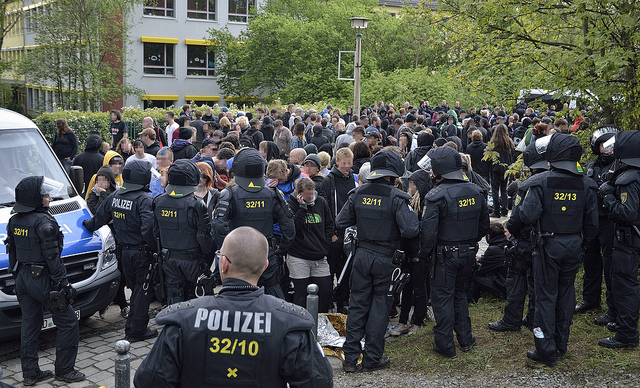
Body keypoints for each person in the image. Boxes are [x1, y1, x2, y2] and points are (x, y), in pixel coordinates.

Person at [133, 226, 333, 387]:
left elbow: (148, 381)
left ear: (223, 265)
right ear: (264, 267)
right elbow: (319, 382)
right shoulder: (289, 323)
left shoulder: (182, 320)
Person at [518, 133, 598, 365]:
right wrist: (580, 242)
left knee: (545, 296)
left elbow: (527, 214)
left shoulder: (541, 182)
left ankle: (546, 350)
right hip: (574, 244)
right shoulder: (587, 184)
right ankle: (561, 345)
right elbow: (592, 225)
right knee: (566, 293)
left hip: (547, 245)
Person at [336, 149, 419, 372]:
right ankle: (372, 359)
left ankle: (350, 358)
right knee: (380, 307)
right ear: (393, 174)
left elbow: (341, 220)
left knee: (357, 306)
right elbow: (411, 230)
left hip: (361, 256)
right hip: (386, 259)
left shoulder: (358, 192)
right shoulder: (397, 197)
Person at [5, 176, 86, 386]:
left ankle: (30, 373)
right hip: (43, 280)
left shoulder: (14, 220)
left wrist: (18, 278)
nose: (49, 198)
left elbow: (12, 253)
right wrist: (64, 285)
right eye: (45, 196)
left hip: (23, 278)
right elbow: (53, 259)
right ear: (35, 199)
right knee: (68, 322)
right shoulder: (45, 223)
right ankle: (65, 370)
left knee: (30, 325)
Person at [419, 146, 490, 359]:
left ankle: (444, 343)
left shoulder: (436, 196)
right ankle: (465, 338)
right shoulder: (476, 191)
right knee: (459, 294)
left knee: (442, 297)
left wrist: (424, 254)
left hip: (445, 256)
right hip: (468, 253)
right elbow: (483, 226)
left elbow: (428, 234)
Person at [83, 160, 158, 342]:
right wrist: (155, 249)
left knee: (135, 288)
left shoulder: (115, 196)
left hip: (123, 252)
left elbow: (97, 219)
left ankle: (133, 323)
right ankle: (136, 330)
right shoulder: (144, 200)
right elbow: (148, 229)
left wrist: (84, 225)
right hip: (141, 253)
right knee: (142, 290)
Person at [213, 148, 295, 299]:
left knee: (236, 299)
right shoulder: (273, 194)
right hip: (266, 253)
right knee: (274, 299)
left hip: (238, 255)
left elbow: (218, 225)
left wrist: (229, 248)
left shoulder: (229, 194)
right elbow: (289, 228)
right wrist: (279, 251)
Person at [490, 140, 547, 332]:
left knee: (516, 279)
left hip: (524, 240)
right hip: (546, 242)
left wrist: (510, 229)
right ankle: (532, 318)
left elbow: (519, 214)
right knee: (535, 283)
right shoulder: (559, 181)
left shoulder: (529, 185)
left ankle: (512, 320)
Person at [598, 130, 640, 348]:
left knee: (625, 285)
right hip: (633, 239)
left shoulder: (629, 179)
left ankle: (627, 333)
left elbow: (627, 214)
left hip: (628, 240)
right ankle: (624, 323)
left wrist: (608, 197)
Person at [154, 160, 214, 305]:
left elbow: (154, 233)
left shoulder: (158, 201)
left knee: (174, 298)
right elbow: (204, 237)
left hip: (169, 259)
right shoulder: (196, 204)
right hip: (192, 259)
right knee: (200, 300)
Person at [576, 126, 618, 318]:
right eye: (604, 145)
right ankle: (590, 299)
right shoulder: (590, 165)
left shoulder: (620, 166)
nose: (607, 149)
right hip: (591, 220)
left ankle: (613, 307)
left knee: (611, 265)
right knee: (590, 261)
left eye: (611, 145)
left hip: (611, 221)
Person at [391, 168, 432, 336]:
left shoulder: (427, 202)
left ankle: (417, 321)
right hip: (408, 249)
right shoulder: (409, 201)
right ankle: (402, 321)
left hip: (420, 251)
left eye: (413, 183)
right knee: (406, 287)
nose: (410, 186)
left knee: (419, 288)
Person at [286, 178, 334, 312]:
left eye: (312, 193)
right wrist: (302, 208)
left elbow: (329, 224)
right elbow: (293, 228)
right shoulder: (290, 204)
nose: (311, 197)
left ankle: (320, 321)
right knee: (301, 294)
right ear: (299, 194)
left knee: (326, 291)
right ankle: (300, 325)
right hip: (299, 256)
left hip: (319, 254)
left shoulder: (321, 202)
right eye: (308, 195)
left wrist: (326, 243)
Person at [489, 124, 514, 217]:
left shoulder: (493, 143)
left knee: (495, 191)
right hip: (506, 169)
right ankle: (505, 210)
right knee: (504, 190)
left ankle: (496, 211)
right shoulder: (509, 142)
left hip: (495, 169)